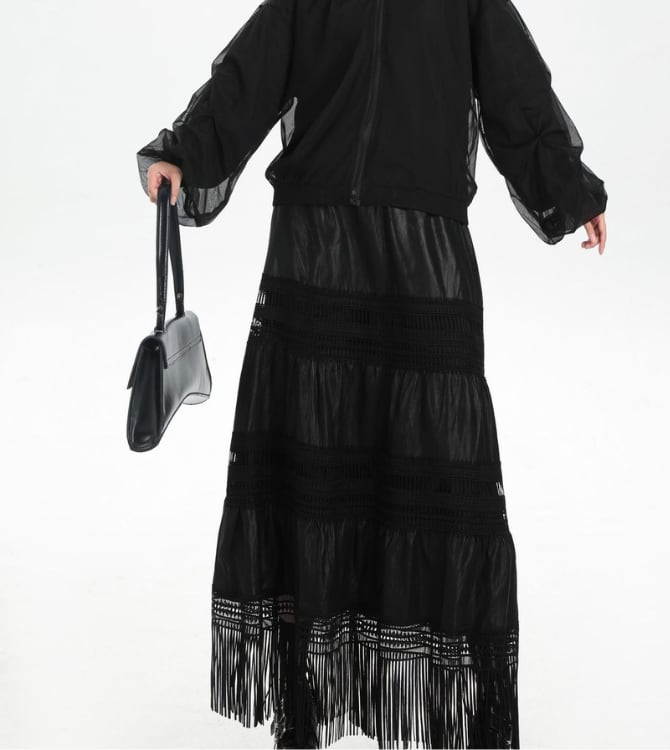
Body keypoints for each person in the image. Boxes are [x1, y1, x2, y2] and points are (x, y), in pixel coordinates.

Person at [136, 0, 607, 747]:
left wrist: (568, 187)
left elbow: (515, 87)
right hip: (316, 251)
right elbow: (248, 75)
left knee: (437, 469)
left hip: (423, 257)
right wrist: (183, 155)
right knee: (313, 478)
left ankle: (436, 709)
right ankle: (307, 705)